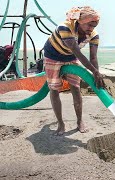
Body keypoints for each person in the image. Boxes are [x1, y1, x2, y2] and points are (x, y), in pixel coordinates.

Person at [43, 6, 105, 135]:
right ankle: (60, 123)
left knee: (76, 88)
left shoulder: (94, 35)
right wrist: (94, 72)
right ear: (81, 21)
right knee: (54, 89)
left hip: (71, 57)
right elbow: (77, 52)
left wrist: (97, 74)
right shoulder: (65, 27)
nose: (91, 29)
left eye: (94, 26)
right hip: (53, 56)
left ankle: (79, 121)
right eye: (89, 25)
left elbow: (93, 57)